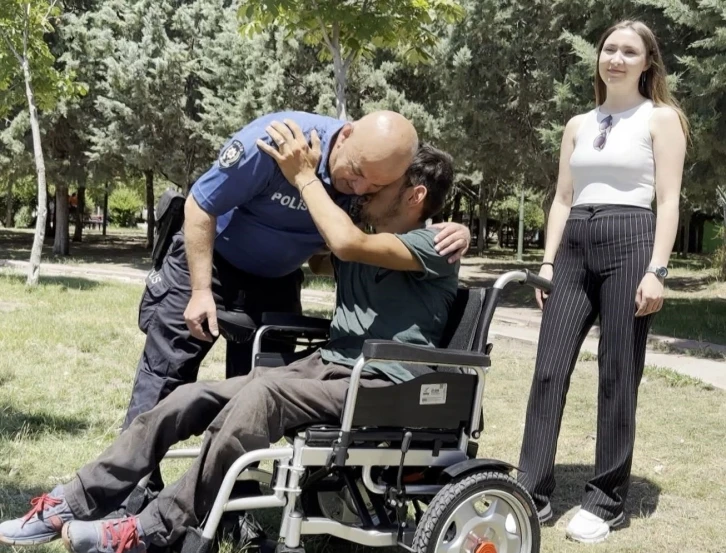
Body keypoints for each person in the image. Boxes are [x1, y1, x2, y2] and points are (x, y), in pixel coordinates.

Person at [0, 136, 460, 553]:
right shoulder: (369, 236)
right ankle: (72, 501)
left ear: (415, 196)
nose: (363, 191)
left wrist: (302, 177)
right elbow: (322, 252)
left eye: (379, 187)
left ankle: (154, 529)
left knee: (262, 395)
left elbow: (342, 242)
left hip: (383, 383)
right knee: (190, 395)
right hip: (331, 366)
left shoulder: (434, 243)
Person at [123, 109, 470, 435]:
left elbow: (382, 227)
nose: (361, 189)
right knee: (165, 376)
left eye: (375, 185)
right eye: (358, 173)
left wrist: (453, 229)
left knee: (258, 389)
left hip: (278, 282)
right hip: (211, 263)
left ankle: (241, 488)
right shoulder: (277, 144)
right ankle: (130, 491)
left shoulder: (372, 177)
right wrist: (199, 291)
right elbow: (200, 205)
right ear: (346, 134)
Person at [516, 20, 688, 544]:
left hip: (630, 240)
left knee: (618, 373)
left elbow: (669, 200)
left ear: (647, 63)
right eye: (609, 49)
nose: (616, 58)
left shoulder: (661, 118)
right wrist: (546, 264)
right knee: (548, 370)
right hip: (574, 245)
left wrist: (657, 270)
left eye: (628, 51)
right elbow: (563, 198)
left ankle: (605, 499)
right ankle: (532, 489)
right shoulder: (577, 123)